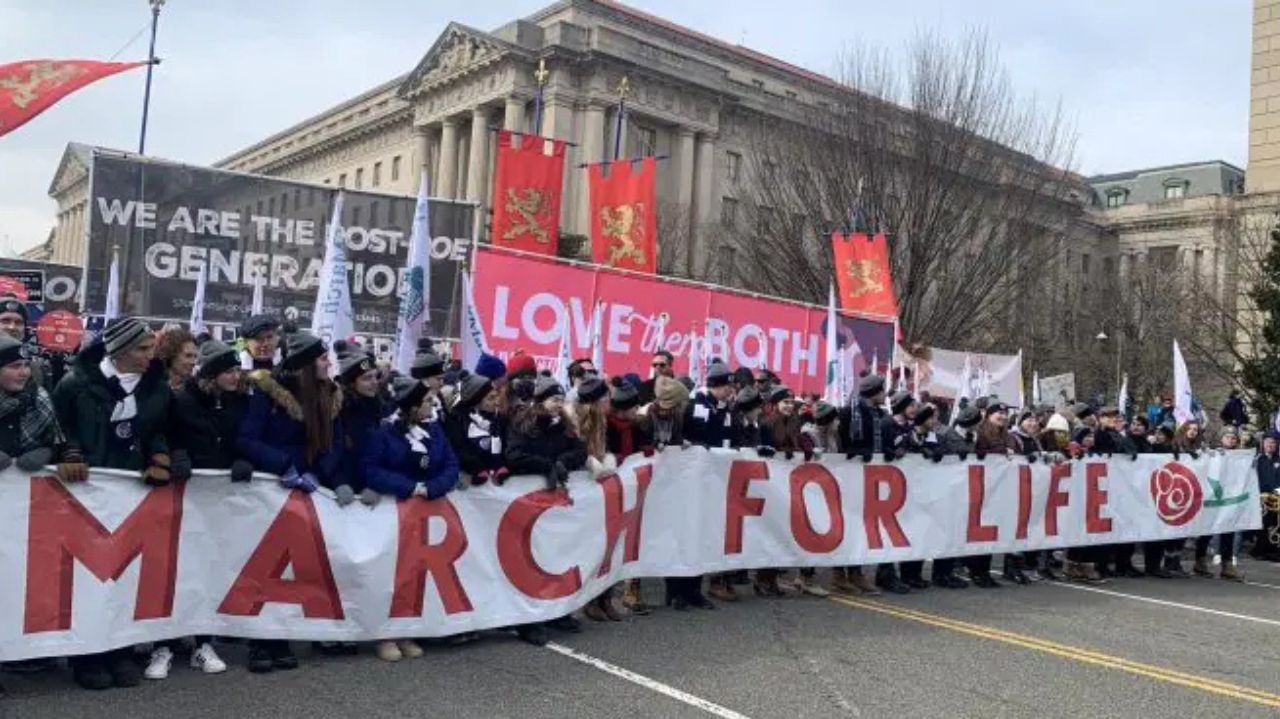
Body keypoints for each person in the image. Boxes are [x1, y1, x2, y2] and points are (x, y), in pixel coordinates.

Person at [53, 317, 173, 691]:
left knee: (123, 574)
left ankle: (119, 648)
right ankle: (87, 656)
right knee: (88, 576)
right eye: (142, 349)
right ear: (119, 351)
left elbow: (157, 430)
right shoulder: (76, 385)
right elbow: (59, 425)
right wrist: (69, 451)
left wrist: (159, 456)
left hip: (130, 494)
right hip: (85, 494)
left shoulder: (156, 388)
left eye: (151, 348)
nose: (150, 356)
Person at [237, 331, 345, 673]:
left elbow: (336, 444)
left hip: (307, 490)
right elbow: (246, 439)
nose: (328, 363)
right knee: (265, 569)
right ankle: (260, 642)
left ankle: (283, 636)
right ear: (304, 365)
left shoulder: (329, 396)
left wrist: (317, 471)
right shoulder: (266, 391)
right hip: (272, 491)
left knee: (295, 569)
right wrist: (283, 465)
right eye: (322, 358)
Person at [363, 375, 460, 661]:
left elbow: (451, 465)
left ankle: (407, 629)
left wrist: (432, 488)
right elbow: (371, 469)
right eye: (428, 401)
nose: (433, 405)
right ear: (412, 406)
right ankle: (384, 633)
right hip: (394, 513)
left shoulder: (434, 430)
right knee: (390, 573)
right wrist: (409, 487)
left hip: (425, 513)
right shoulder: (384, 432)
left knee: (415, 575)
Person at [505, 376, 589, 645]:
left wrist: (563, 461)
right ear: (540, 400)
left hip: (554, 504)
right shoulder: (523, 423)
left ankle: (557, 612)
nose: (559, 405)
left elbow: (580, 451)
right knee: (530, 560)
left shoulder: (563, 425)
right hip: (527, 504)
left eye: (561, 400)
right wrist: (547, 465)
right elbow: (514, 456)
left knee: (556, 556)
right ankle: (528, 621)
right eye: (554, 399)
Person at [831, 374, 888, 596]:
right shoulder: (849, 413)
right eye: (882, 390)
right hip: (850, 477)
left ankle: (856, 572)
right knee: (845, 524)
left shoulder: (879, 414)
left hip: (871, 477)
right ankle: (838, 574)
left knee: (861, 527)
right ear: (873, 392)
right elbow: (840, 444)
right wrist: (856, 452)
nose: (885, 394)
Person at [604, 378, 655, 615]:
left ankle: (632, 591)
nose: (637, 411)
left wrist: (646, 449)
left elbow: (646, 445)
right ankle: (602, 596)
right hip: (611, 491)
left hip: (634, 490)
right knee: (610, 544)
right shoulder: (605, 425)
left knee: (635, 540)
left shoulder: (638, 426)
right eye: (634, 408)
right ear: (623, 408)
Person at [1192, 423, 1241, 581]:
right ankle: (1200, 560)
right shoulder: (1213, 453)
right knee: (1206, 530)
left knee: (1228, 531)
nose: (1231, 440)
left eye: (1234, 438)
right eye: (1228, 437)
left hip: (1229, 498)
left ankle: (1227, 564)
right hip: (1213, 496)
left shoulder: (1241, 457)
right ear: (1222, 438)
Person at [444, 372, 510, 486]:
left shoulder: (500, 419)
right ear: (476, 402)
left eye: (497, 395)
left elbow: (506, 446)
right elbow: (459, 450)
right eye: (491, 398)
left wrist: (501, 465)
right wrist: (476, 468)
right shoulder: (458, 421)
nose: (497, 402)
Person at [1253, 432, 1280, 561]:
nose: (1270, 444)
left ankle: (1274, 550)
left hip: (1277, 498)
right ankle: (1260, 550)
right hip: (1261, 497)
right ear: (1262, 444)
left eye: (1273, 442)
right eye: (1268, 442)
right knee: (1263, 524)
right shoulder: (1257, 459)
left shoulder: (1278, 460)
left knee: (1276, 524)